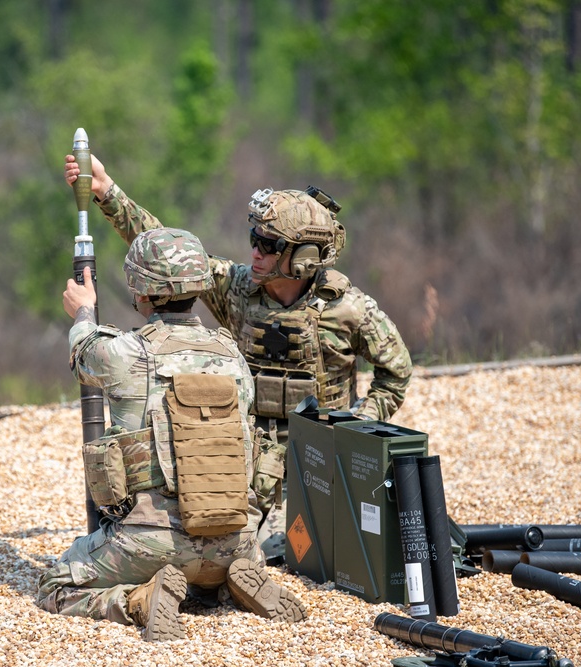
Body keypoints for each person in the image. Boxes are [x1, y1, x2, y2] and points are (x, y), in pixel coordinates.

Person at [63, 153, 414, 562]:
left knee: (286, 554)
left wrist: (355, 427)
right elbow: (173, 258)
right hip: (239, 465)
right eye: (254, 239)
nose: (255, 251)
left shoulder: (349, 309)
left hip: (315, 467)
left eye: (269, 244)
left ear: (303, 256)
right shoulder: (238, 288)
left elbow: (396, 372)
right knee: (212, 546)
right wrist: (107, 192)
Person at [35, 228, 307, 641]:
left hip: (153, 541)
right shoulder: (231, 355)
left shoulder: (127, 353)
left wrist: (83, 310)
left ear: (140, 291)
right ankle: (227, 586)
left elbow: (82, 352)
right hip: (236, 539)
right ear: (198, 287)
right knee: (205, 577)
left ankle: (139, 600)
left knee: (56, 585)